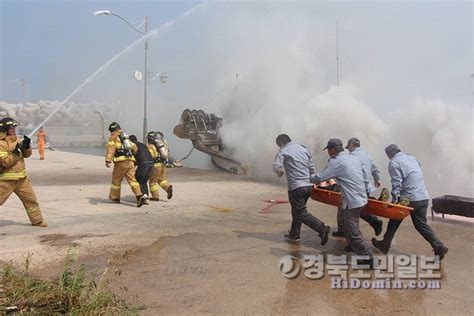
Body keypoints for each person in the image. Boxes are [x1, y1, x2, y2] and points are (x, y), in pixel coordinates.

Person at [372, 144, 449, 259]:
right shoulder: (412, 158)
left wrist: (395, 200)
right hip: (423, 196)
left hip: (409, 199)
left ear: (389, 154)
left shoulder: (394, 162)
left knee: (394, 220)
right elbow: (416, 172)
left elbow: (396, 182)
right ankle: (438, 246)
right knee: (420, 224)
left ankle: (384, 244)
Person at [310, 138, 373, 260]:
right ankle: (351, 245)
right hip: (360, 196)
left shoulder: (336, 162)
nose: (328, 152)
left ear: (333, 150)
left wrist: (308, 177)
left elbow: (322, 177)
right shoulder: (354, 157)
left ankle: (367, 257)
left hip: (352, 200)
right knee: (346, 222)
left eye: (328, 149)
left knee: (353, 229)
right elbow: (365, 175)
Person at [273, 134, 330, 245]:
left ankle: (321, 228)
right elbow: (312, 166)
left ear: (280, 143)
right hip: (308, 185)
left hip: (296, 187)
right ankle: (294, 234)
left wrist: (279, 172)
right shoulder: (303, 148)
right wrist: (313, 180)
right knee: (296, 211)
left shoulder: (283, 150)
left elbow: (276, 166)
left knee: (301, 213)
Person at [331, 137, 383, 237]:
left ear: (351, 145)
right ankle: (343, 230)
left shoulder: (352, 156)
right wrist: (377, 179)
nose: (348, 149)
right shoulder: (367, 155)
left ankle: (372, 222)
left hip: (355, 187)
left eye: (348, 147)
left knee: (349, 208)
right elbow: (374, 169)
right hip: (366, 187)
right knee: (357, 208)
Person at [0, 118, 47, 227]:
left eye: (15, 127)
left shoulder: (17, 140)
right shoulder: (1, 144)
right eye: (12, 128)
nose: (14, 130)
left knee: (31, 200)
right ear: (5, 129)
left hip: (22, 178)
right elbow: (5, 162)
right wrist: (16, 152)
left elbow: (27, 155)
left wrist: (26, 146)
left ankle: (37, 221)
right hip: (6, 180)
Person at [105, 122, 146, 207]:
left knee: (116, 180)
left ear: (111, 130)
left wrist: (108, 160)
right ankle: (139, 196)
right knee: (133, 181)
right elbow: (134, 148)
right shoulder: (125, 137)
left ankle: (115, 197)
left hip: (120, 163)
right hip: (130, 162)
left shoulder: (113, 138)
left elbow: (111, 150)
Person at [147, 131, 173, 201]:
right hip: (163, 164)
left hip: (156, 165)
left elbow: (153, 155)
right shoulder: (162, 145)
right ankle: (168, 187)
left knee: (152, 182)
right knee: (161, 179)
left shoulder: (150, 146)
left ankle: (155, 196)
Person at [129, 135, 154, 202]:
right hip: (151, 164)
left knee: (138, 179)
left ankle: (143, 195)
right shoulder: (143, 145)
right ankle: (146, 196)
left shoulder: (133, 146)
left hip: (144, 165)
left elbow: (134, 157)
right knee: (144, 181)